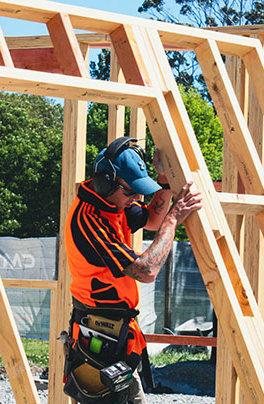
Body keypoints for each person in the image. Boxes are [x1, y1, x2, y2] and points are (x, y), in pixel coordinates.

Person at [62, 137, 202, 404]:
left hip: (118, 335)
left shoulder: (114, 203)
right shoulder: (89, 220)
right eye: (131, 192)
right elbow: (147, 271)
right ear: (106, 182)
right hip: (100, 336)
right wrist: (173, 219)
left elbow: (150, 219)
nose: (135, 199)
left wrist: (163, 181)